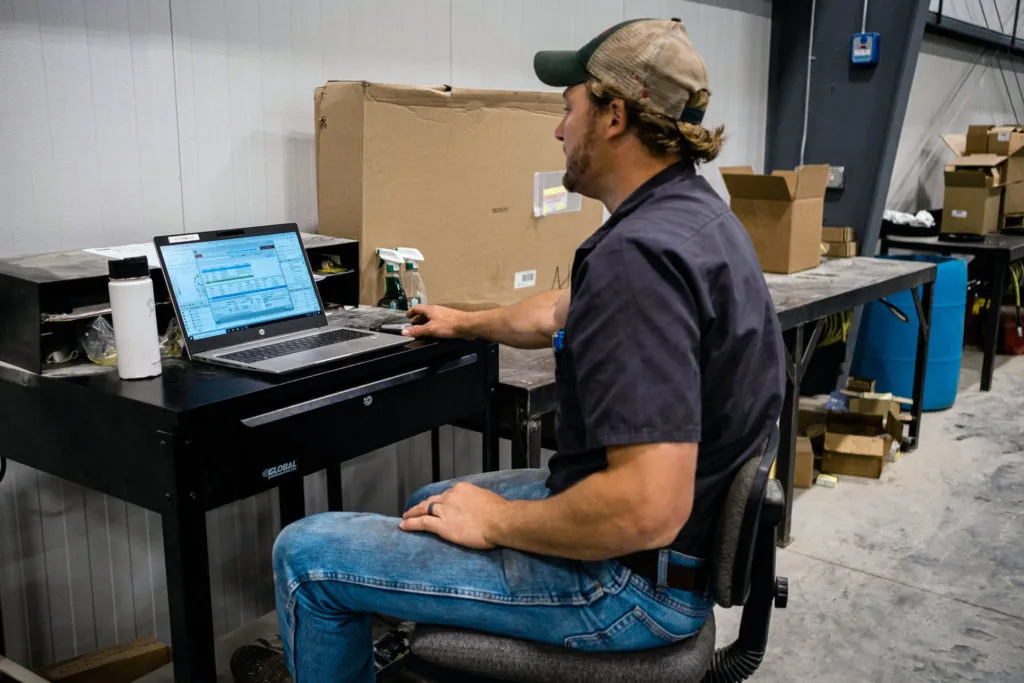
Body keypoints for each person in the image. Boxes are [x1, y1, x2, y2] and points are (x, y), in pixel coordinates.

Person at [231, 17, 784, 683]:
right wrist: (465, 322)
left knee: (306, 555)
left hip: (627, 587)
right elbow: (560, 308)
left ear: (613, 115)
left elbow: (647, 505)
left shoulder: (639, 260)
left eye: (567, 106)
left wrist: (499, 522)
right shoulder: (694, 219)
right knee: (434, 497)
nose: (558, 127)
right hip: (672, 555)